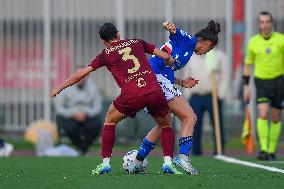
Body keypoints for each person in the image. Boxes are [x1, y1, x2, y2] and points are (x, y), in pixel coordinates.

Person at [51, 23, 178, 174]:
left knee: (110, 121)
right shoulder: (137, 42)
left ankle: (105, 163)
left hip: (132, 94)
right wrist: (169, 61)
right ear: (118, 34)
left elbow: (81, 74)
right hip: (154, 90)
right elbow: (164, 56)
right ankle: (168, 163)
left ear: (103, 42)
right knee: (166, 125)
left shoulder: (106, 53)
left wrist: (59, 87)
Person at [133, 20, 220, 174]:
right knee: (189, 117)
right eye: (209, 49)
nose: (206, 52)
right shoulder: (187, 40)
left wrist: (182, 82)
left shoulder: (188, 51)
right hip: (155, 78)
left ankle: (138, 160)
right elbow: (171, 28)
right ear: (208, 43)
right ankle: (183, 157)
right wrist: (169, 26)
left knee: (164, 124)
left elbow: (165, 69)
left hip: (153, 79)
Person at [243, 11, 284, 160]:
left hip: (279, 82)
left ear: (271, 24)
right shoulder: (253, 42)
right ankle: (264, 150)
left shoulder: (281, 40)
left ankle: (272, 151)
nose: (265, 25)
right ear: (259, 24)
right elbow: (247, 65)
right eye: (262, 22)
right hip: (261, 82)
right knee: (262, 113)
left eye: (267, 22)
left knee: (275, 117)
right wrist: (246, 86)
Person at [183, 49, 229, 155]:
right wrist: (187, 94)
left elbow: (225, 75)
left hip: (212, 96)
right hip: (195, 97)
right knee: (195, 125)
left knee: (217, 124)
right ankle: (196, 152)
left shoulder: (218, 55)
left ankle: (219, 151)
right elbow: (187, 76)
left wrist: (221, 94)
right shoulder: (191, 58)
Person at [54, 67, 103, 155]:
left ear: (87, 76)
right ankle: (82, 148)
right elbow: (59, 107)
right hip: (71, 116)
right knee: (69, 127)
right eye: (78, 75)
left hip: (88, 116)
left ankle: (82, 149)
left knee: (95, 126)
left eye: (83, 75)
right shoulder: (66, 87)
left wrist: (86, 113)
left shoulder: (93, 88)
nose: (80, 77)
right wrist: (73, 114)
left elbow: (97, 107)